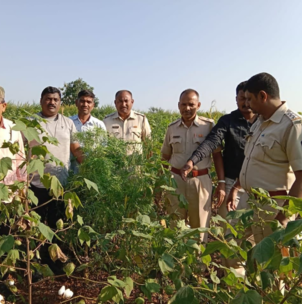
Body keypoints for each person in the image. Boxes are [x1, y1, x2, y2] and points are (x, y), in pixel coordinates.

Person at [226, 73, 302, 245]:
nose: (247, 105)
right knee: (233, 247)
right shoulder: (259, 122)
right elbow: (253, 161)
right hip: (249, 202)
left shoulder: (294, 126)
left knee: (273, 262)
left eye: (250, 99)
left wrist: (283, 218)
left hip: (273, 208)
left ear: (263, 96)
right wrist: (236, 187)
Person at [181, 81, 257, 227]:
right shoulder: (227, 121)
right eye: (242, 98)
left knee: (255, 228)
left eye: (249, 99)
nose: (246, 103)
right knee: (229, 227)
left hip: (258, 184)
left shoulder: (263, 121)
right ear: (236, 99)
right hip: (231, 182)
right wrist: (192, 161)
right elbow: (210, 143)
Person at [160, 89, 215, 242]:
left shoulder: (208, 126)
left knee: (200, 226)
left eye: (191, 104)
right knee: (176, 224)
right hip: (175, 180)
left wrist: (221, 183)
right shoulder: (172, 128)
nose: (187, 108)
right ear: (178, 105)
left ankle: (199, 264)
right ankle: (178, 262)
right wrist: (161, 182)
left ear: (198, 105)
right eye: (183, 104)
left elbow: (217, 155)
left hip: (199, 181)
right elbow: (165, 156)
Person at [28, 86, 84, 228]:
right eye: (48, 99)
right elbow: (18, 151)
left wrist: (89, 167)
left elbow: (75, 148)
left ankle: (53, 250)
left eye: (55, 99)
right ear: (41, 101)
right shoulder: (30, 122)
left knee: (56, 224)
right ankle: (37, 250)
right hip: (35, 183)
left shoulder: (68, 123)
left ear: (60, 103)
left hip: (60, 183)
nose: (52, 102)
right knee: (35, 225)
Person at [103, 90, 152, 155]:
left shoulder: (141, 119)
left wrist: (149, 163)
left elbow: (148, 145)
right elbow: (102, 146)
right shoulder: (107, 121)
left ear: (132, 102)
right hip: (113, 164)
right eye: (120, 101)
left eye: (126, 101)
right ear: (115, 102)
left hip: (135, 164)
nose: (123, 104)